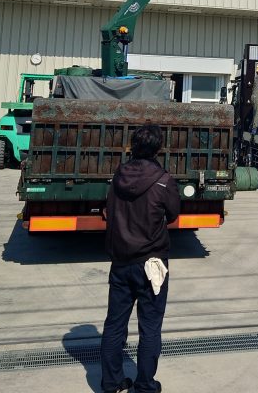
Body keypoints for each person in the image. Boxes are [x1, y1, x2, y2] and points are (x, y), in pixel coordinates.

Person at [100, 125, 180, 393]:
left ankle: (111, 382)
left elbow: (109, 209)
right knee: (150, 328)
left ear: (132, 146)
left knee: (114, 324)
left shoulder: (118, 176)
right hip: (151, 263)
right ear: (158, 149)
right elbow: (173, 215)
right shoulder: (163, 181)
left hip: (120, 261)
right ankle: (145, 385)